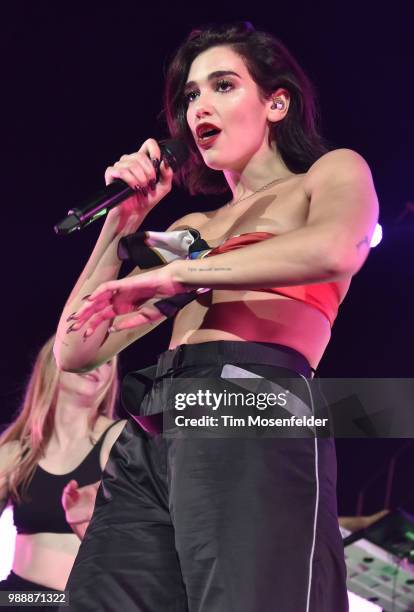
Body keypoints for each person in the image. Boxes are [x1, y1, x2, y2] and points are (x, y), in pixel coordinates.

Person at [54, 21, 379, 612]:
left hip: (248, 403)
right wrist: (119, 227)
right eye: (190, 95)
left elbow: (335, 247)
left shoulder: (328, 176)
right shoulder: (193, 231)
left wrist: (179, 274)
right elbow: (75, 351)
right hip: (156, 427)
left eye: (222, 85)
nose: (199, 105)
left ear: (276, 102)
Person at [0, 336, 126, 610]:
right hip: (16, 598)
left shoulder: (118, 439)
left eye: (108, 360)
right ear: (54, 361)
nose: (99, 364)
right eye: (90, 352)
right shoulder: (15, 454)